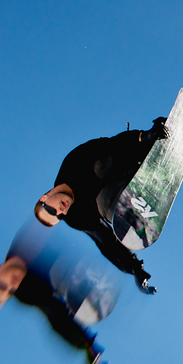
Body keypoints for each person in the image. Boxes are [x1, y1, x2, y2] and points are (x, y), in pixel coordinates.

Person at [34, 117, 168, 295]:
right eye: (59, 216)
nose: (61, 211)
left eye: (52, 210)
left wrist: (145, 137)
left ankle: (145, 159)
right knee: (102, 203)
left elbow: (111, 144)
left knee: (99, 167)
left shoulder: (72, 164)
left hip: (130, 159)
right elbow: (106, 241)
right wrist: (134, 268)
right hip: (123, 192)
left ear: (45, 197)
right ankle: (134, 208)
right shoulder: (76, 218)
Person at [0, 219, 115, 364]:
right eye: (10, 291)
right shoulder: (26, 292)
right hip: (78, 270)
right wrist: (86, 345)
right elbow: (56, 316)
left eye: (3, 285)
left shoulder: (24, 244)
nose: (12, 285)